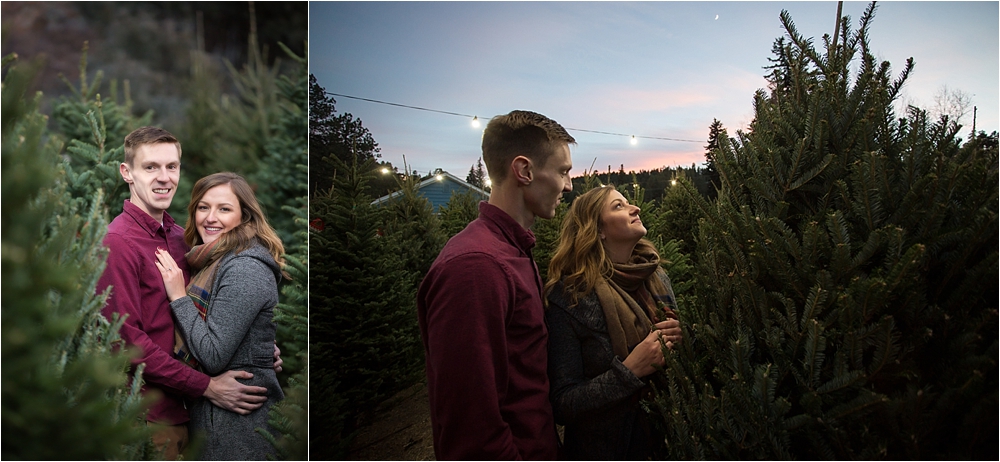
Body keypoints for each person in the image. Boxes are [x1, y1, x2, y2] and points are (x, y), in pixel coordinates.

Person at [97, 127, 276, 460]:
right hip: (150, 416)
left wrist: (259, 347)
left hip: (196, 415)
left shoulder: (184, 240)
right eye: (150, 167)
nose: (164, 178)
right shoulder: (118, 243)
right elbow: (124, 343)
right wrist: (205, 386)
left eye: (172, 166)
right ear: (127, 173)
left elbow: (214, 311)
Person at [417, 110, 575, 460]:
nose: (569, 185)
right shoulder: (477, 268)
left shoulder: (514, 251)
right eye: (563, 171)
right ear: (524, 170)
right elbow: (472, 430)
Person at [544, 185, 683, 460]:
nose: (636, 208)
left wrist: (681, 337)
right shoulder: (571, 297)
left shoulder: (656, 276)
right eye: (618, 206)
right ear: (598, 230)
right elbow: (563, 403)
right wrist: (629, 371)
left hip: (668, 439)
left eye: (629, 202)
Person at [154, 172, 287, 460]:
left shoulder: (244, 267)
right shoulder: (212, 260)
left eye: (224, 209)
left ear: (244, 217)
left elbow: (214, 354)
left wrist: (178, 297)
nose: (210, 218)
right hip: (219, 420)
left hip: (242, 427)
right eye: (203, 207)